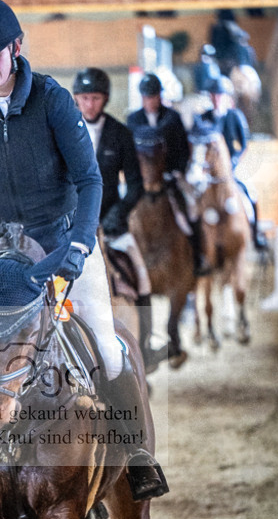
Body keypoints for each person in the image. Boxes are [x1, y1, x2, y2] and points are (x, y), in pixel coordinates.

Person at [0, 0, 168, 503]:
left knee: (108, 349)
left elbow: (88, 179)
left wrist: (81, 243)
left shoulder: (53, 100)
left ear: (16, 47)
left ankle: (136, 457)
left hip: (62, 245)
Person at [72, 67, 161, 374]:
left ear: (105, 99)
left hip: (112, 225)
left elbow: (135, 184)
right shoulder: (64, 131)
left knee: (142, 276)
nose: (89, 104)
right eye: (84, 98)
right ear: (76, 99)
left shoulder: (121, 134)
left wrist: (116, 215)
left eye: (95, 98)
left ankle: (147, 349)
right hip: (74, 228)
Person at [127, 72, 211, 277]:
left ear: (159, 96)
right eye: (147, 97)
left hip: (170, 177)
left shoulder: (172, 118)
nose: (151, 101)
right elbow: (128, 151)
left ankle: (198, 255)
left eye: (154, 96)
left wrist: (176, 171)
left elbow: (184, 148)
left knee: (191, 210)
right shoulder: (133, 120)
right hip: (141, 180)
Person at [196, 75, 266, 249]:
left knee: (251, 194)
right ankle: (196, 241)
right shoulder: (204, 117)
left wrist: (233, 162)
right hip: (210, 168)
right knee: (195, 196)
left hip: (232, 165)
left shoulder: (235, 116)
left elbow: (243, 145)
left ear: (226, 97)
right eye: (213, 95)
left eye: (219, 95)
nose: (216, 98)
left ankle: (256, 234)